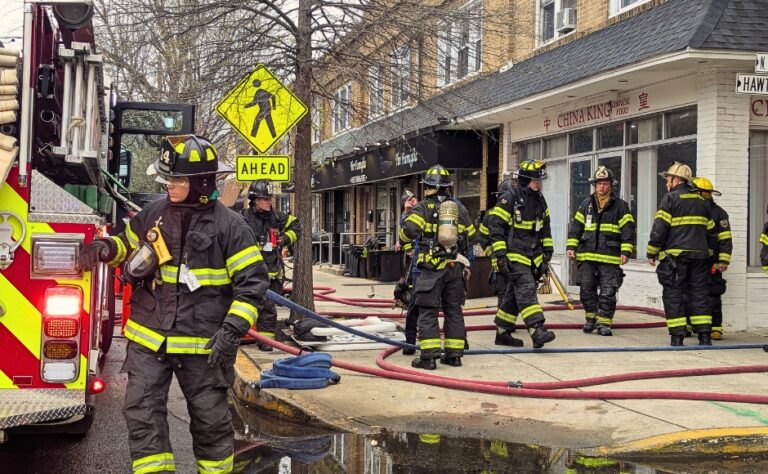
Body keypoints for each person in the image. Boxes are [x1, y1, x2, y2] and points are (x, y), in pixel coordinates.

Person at [80, 135, 269, 474]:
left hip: (203, 344)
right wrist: (107, 248)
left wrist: (231, 331)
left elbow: (253, 285)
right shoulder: (154, 214)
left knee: (210, 422)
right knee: (142, 412)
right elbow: (128, 243)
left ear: (201, 182)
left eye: (177, 179)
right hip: (149, 337)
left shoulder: (231, 227)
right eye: (167, 178)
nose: (170, 185)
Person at [398, 165, 477, 369]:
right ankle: (454, 356)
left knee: (428, 311)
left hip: (432, 270)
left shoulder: (423, 207)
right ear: (447, 187)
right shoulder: (458, 208)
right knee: (453, 311)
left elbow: (408, 231)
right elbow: (472, 235)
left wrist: (406, 242)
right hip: (454, 268)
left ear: (428, 186)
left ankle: (429, 358)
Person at [486, 160, 556, 348]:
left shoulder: (540, 200)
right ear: (525, 179)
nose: (539, 183)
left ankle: (502, 332)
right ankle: (536, 330)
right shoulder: (509, 198)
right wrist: (500, 255)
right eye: (535, 179)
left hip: (533, 257)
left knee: (513, 295)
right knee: (526, 290)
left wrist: (547, 255)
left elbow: (545, 230)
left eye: (540, 180)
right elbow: (495, 227)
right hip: (514, 255)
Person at [647, 162, 716, 346]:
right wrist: (709, 255)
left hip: (675, 259)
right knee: (700, 294)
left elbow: (659, 228)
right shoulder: (703, 202)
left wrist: (652, 251)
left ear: (676, 180)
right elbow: (711, 233)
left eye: (668, 179)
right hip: (700, 258)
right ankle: (704, 336)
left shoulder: (670, 199)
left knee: (674, 294)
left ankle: (678, 337)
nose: (666, 183)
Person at [566, 166, 635, 337]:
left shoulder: (621, 206)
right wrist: (571, 246)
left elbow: (628, 231)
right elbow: (576, 227)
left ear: (611, 185)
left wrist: (626, 251)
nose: (602, 187)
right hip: (588, 256)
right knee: (586, 290)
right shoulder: (585, 205)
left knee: (608, 291)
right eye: (599, 184)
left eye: (605, 183)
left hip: (610, 257)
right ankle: (591, 319)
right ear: (594, 186)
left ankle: (604, 323)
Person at [242, 179, 301, 351]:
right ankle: (242, 336)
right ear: (255, 200)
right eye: (266, 199)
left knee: (268, 308)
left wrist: (284, 239)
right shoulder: (243, 218)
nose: (270, 202)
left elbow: (296, 225)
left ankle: (266, 341)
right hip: (249, 273)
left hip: (271, 274)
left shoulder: (276, 217)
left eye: (270, 199)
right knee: (247, 306)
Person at [689, 177, 732, 340]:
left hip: (710, 260)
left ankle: (715, 327)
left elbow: (725, 239)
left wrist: (723, 261)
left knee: (712, 293)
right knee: (689, 291)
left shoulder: (719, 213)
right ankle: (690, 324)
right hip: (694, 258)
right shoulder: (691, 209)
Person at [479, 177, 514, 326]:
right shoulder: (492, 214)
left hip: (518, 261)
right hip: (501, 264)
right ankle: (504, 325)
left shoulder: (520, 212)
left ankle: (509, 323)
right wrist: (493, 253)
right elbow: (482, 236)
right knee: (504, 293)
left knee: (518, 293)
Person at [395, 190, 420, 355]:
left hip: (426, 265)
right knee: (414, 301)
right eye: (408, 201)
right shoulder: (408, 216)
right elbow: (405, 234)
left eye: (413, 199)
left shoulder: (422, 213)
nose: (412, 202)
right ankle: (410, 342)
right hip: (417, 264)